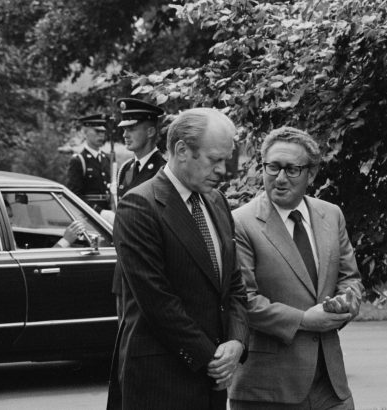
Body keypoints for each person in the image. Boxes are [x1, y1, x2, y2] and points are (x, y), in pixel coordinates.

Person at [106, 107, 249, 410]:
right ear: (182, 150)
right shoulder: (140, 206)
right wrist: (210, 358)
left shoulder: (217, 201)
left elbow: (233, 283)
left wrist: (237, 342)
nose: (223, 170)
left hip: (213, 379)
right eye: (215, 159)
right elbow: (158, 302)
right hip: (161, 381)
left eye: (225, 159)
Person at [229, 126, 364, 410]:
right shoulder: (240, 223)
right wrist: (304, 320)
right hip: (267, 389)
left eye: (292, 170)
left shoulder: (331, 214)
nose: (280, 178)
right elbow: (243, 301)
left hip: (331, 385)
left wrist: (346, 302)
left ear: (310, 174)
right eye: (273, 167)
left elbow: (350, 278)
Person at [111, 97, 165, 320]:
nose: (125, 134)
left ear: (151, 131)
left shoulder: (163, 171)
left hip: (148, 269)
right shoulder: (126, 169)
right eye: (124, 128)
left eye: (132, 128)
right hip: (123, 268)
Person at [66, 114, 111, 213]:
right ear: (85, 133)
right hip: (89, 215)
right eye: (97, 131)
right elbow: (74, 195)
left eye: (103, 131)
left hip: (110, 211)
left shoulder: (107, 159)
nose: (101, 135)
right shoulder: (79, 160)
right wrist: (98, 211)